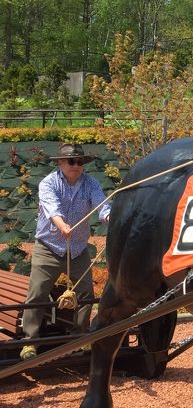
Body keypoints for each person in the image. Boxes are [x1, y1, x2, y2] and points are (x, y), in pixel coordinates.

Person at [20, 143, 111, 360]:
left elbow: (102, 205)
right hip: (48, 248)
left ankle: (80, 336)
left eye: (80, 162)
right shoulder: (48, 183)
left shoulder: (91, 183)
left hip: (78, 250)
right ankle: (30, 342)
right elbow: (52, 208)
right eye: (71, 161)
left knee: (87, 294)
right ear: (60, 163)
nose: (76, 165)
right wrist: (61, 225)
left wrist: (110, 217)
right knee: (37, 294)